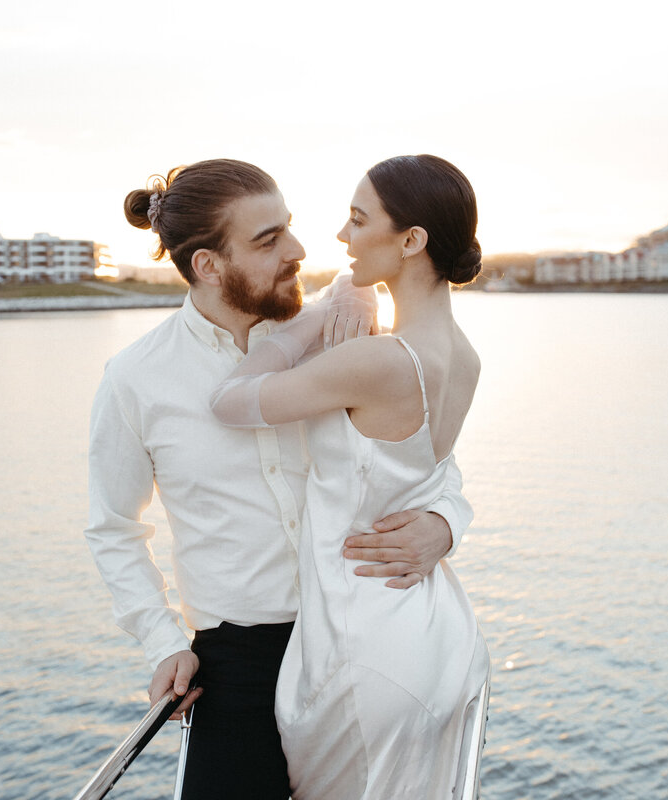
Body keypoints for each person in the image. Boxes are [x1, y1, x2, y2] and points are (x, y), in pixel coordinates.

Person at [84, 158, 474, 798]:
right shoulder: (135, 379)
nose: (298, 251)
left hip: (363, 639)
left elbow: (424, 452)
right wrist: (161, 641)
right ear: (209, 265)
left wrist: (443, 524)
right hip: (236, 666)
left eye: (288, 229)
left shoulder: (342, 332)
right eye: (268, 241)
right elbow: (114, 528)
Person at [209, 154, 491, 798]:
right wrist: (447, 525)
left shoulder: (378, 360)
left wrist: (327, 305)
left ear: (411, 240)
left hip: (363, 645)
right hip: (435, 629)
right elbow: (429, 477)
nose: (341, 236)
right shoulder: (466, 357)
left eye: (359, 220)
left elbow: (230, 401)